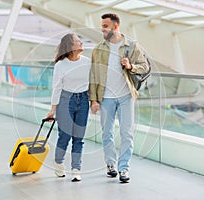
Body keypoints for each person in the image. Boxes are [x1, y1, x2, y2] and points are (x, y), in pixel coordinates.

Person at [89, 13, 150, 183]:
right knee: (106, 133)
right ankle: (111, 164)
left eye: (105, 26)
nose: (102, 29)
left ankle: (124, 168)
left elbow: (144, 66)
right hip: (105, 98)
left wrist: (131, 66)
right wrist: (93, 100)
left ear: (115, 27)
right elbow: (93, 75)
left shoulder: (132, 46)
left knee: (127, 133)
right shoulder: (98, 49)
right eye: (102, 25)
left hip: (125, 96)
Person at [46, 33, 91, 182]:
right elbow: (57, 88)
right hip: (66, 100)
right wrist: (52, 110)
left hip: (83, 99)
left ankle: (76, 169)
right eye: (78, 41)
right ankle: (59, 162)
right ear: (71, 46)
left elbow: (93, 82)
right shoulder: (61, 65)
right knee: (64, 136)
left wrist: (94, 101)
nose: (81, 43)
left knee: (79, 137)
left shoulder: (87, 62)